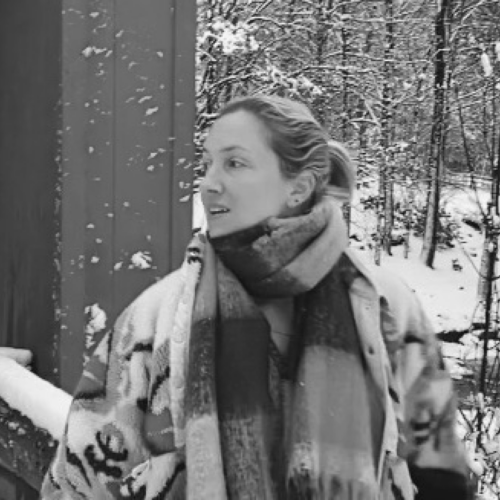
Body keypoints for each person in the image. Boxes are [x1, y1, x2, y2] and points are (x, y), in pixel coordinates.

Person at [40, 95, 470, 500]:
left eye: (234, 163)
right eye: (207, 164)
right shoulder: (156, 319)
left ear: (298, 188)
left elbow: (441, 471)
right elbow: (78, 483)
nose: (209, 184)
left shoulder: (382, 306)